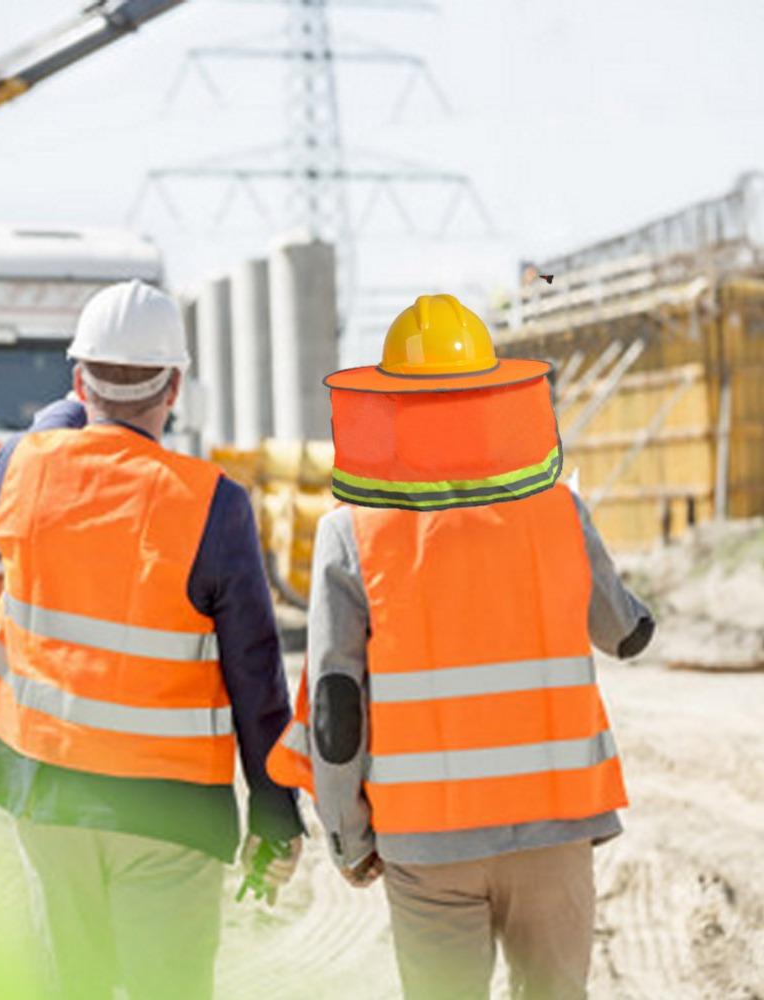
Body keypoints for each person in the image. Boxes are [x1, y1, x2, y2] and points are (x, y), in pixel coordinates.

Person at [268, 294, 654, 1000]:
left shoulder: (351, 532)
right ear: (490, 399)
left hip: (427, 842)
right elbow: (624, 632)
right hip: (556, 823)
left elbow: (334, 703)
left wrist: (348, 834)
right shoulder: (558, 510)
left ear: (390, 409)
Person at [0, 279, 304, 1000]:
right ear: (174, 387)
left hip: (49, 795)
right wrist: (274, 809)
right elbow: (255, 670)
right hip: (168, 813)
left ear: (80, 380)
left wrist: (82, 395)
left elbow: (53, 424)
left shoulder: (20, 468)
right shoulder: (214, 505)